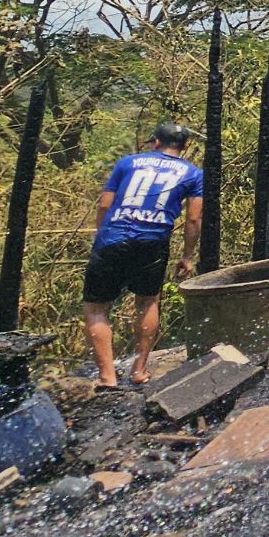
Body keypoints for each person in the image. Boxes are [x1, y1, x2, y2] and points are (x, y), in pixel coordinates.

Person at [83, 123, 203, 389]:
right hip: (153, 241)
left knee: (96, 306)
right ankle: (139, 369)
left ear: (156, 142)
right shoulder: (193, 174)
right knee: (148, 301)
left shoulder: (128, 163)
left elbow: (104, 204)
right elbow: (194, 219)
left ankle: (107, 377)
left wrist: (100, 235)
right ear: (184, 147)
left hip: (113, 238)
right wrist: (187, 256)